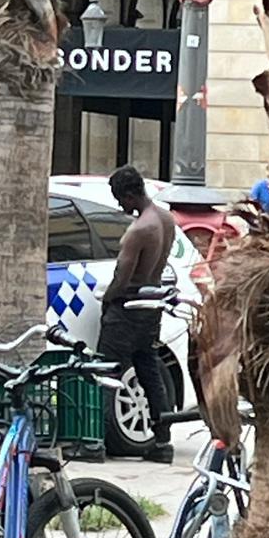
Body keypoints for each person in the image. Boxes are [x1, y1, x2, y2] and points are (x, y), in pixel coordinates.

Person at [99, 165, 176, 464]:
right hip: (151, 305)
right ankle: (163, 440)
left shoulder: (139, 230)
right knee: (149, 371)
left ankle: (99, 441)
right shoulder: (166, 220)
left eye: (121, 199)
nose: (121, 206)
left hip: (128, 307)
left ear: (132, 194)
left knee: (106, 372)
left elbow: (122, 276)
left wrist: (109, 300)